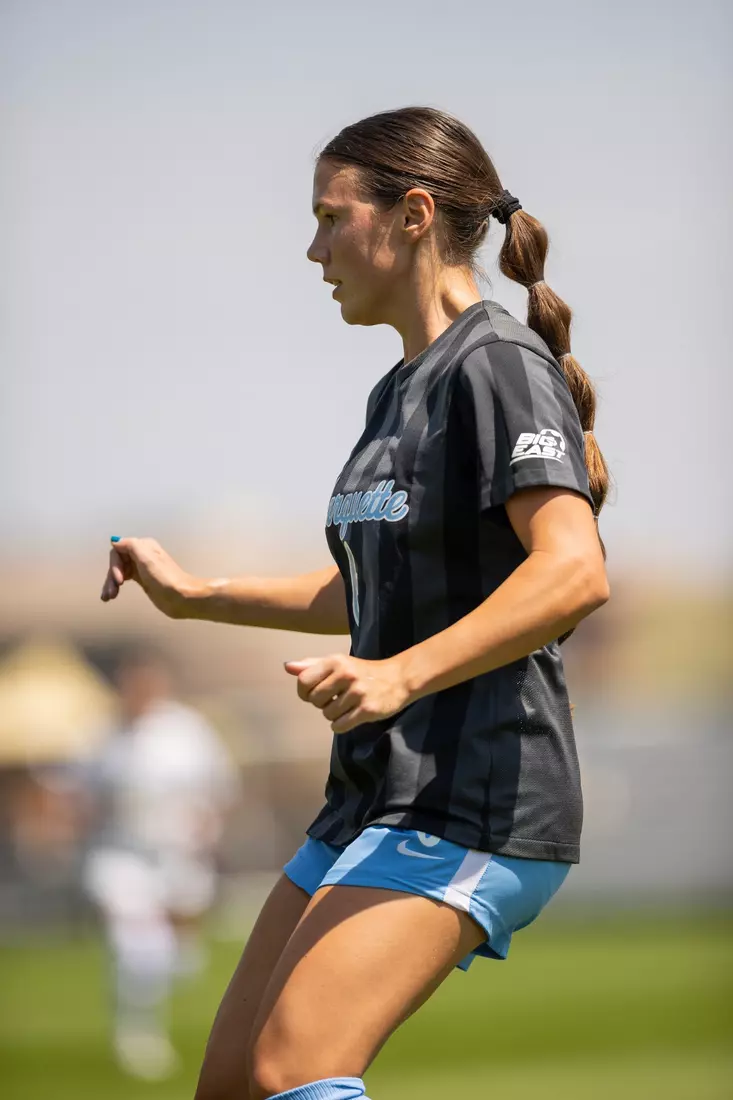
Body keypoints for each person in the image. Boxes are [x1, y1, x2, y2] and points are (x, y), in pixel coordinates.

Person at [100, 106, 610, 1100]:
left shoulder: (496, 365)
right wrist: (195, 593)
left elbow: (572, 570)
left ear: (414, 214)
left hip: (475, 798)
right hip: (374, 795)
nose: (313, 247)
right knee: (236, 1084)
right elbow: (376, 587)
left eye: (331, 218)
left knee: (296, 1065)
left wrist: (399, 671)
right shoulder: (397, 391)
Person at [78, 646, 239, 1080]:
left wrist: (207, 831)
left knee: (177, 956)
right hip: (120, 857)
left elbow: (220, 787)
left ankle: (171, 967)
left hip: (180, 856)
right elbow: (82, 798)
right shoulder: (100, 737)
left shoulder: (188, 731)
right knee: (135, 945)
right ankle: (138, 1035)